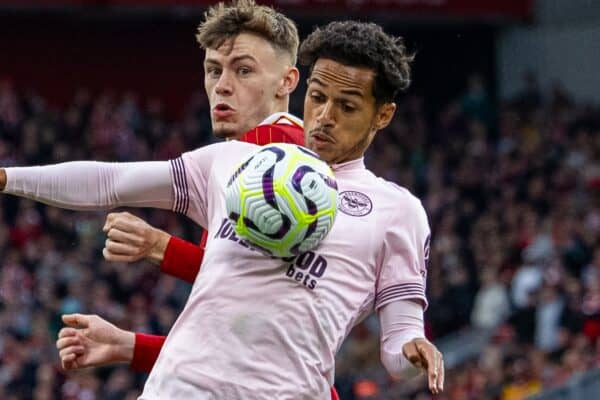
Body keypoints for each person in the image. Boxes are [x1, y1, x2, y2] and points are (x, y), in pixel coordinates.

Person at [1, 20, 444, 399]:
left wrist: (413, 350)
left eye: (346, 106)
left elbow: (398, 345)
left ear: (383, 115)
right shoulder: (237, 163)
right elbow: (111, 181)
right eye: (317, 96)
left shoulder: (396, 212)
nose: (324, 116)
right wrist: (8, 178)